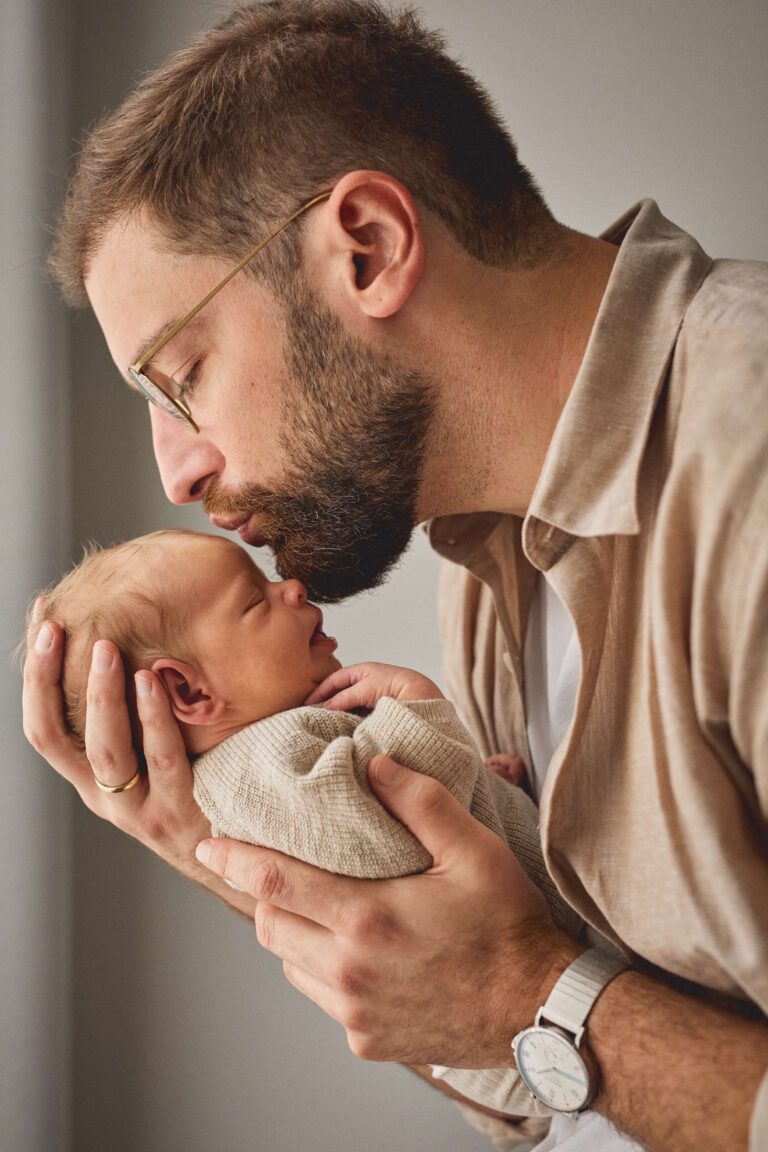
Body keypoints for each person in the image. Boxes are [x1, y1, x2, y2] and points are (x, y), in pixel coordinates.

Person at [22, 3, 768, 1151]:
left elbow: (535, 1011)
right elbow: (553, 1090)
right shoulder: (482, 556)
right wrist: (228, 855)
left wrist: (537, 996)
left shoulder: (752, 475)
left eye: (183, 377)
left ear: (365, 246)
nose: (178, 471)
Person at [24, 526, 582, 1136]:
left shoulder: (283, 757)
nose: (290, 587)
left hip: (539, 1013)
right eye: (254, 601)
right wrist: (416, 710)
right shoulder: (254, 768)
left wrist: (480, 785)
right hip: (529, 1033)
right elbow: (385, 839)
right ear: (188, 689)